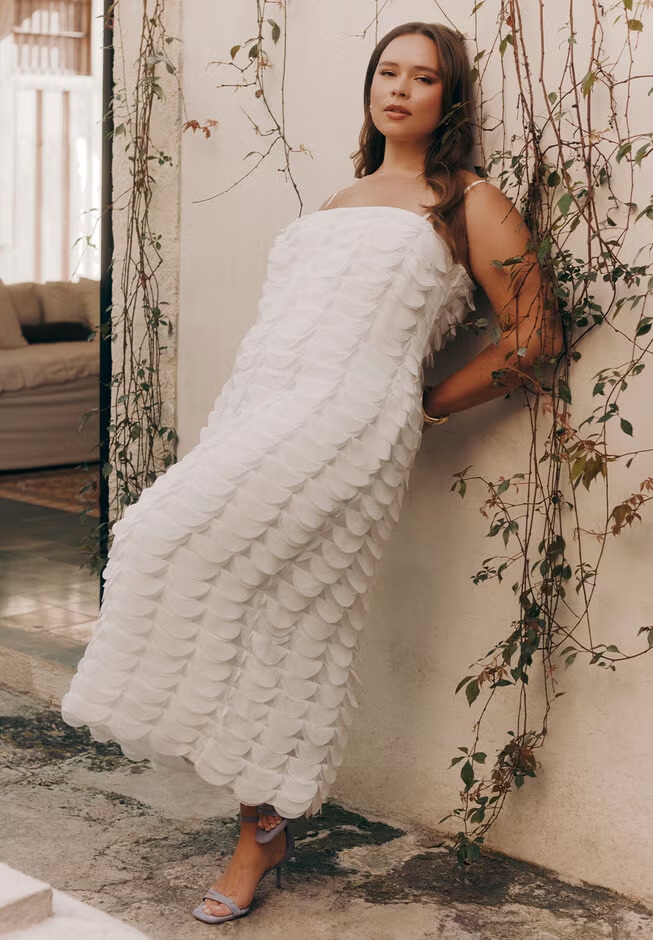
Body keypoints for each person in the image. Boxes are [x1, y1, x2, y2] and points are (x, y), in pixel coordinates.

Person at [61, 21, 562, 926]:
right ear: (369, 86)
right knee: (241, 593)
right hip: (259, 409)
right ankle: (264, 817)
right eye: (387, 72)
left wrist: (423, 404)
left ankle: (259, 833)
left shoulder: (468, 201)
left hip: (350, 425)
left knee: (249, 588)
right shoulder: (341, 197)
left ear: (450, 100)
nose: (399, 89)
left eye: (423, 78)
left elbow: (534, 337)